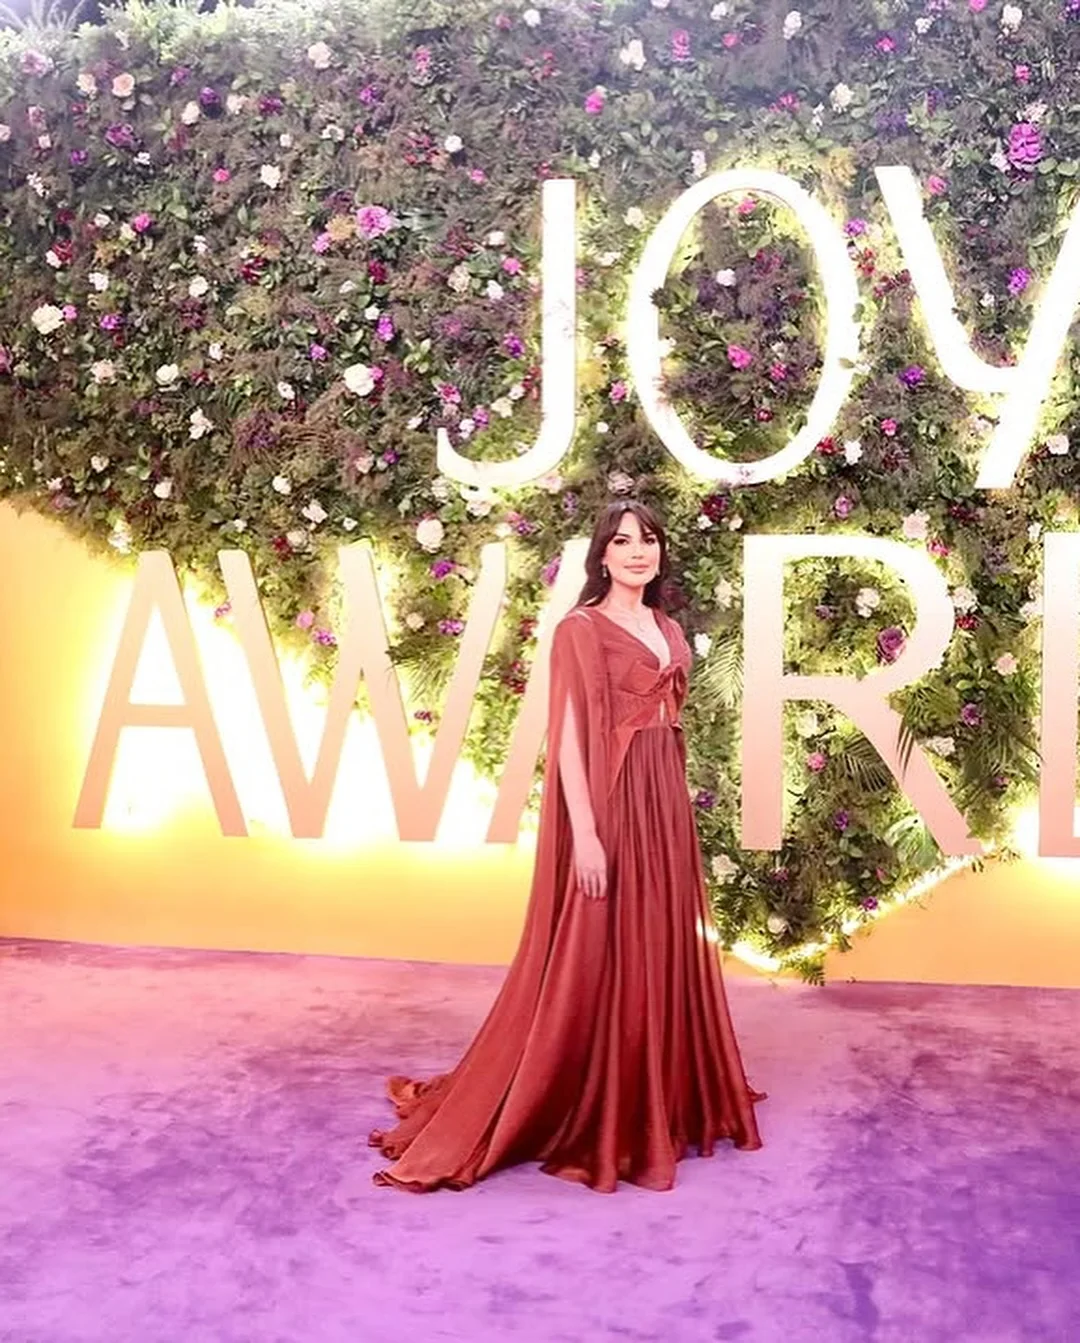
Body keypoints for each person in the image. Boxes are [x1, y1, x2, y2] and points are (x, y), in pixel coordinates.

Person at [369, 500, 763, 1192]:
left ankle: (660, 1090)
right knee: (598, 943)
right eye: (623, 541)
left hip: (664, 801)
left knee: (660, 937)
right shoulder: (579, 630)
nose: (638, 551)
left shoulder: (668, 626)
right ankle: (590, 1098)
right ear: (601, 556)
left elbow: (665, 721)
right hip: (609, 801)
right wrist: (585, 833)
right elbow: (570, 738)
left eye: (648, 540)